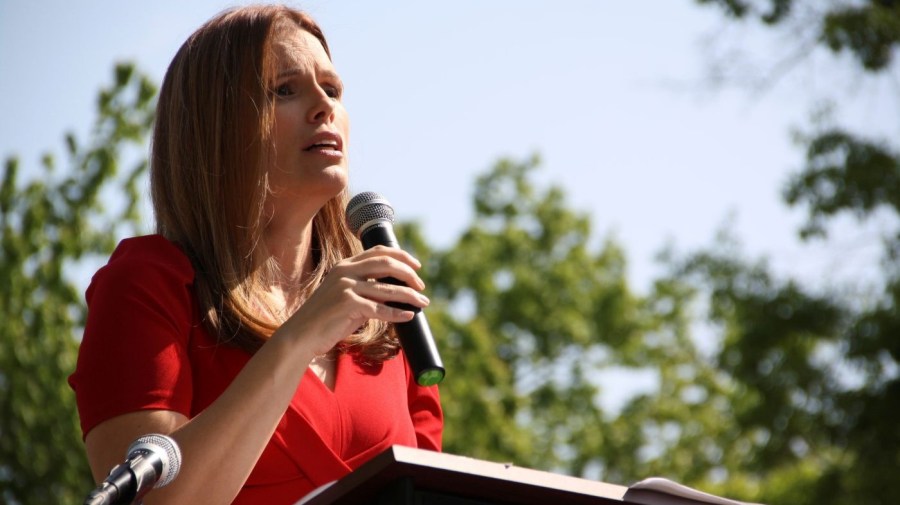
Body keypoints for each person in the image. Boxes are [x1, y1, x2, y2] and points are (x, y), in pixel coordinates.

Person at [68, 4, 443, 504]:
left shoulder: (387, 316)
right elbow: (151, 500)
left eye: (332, 89)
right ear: (216, 127)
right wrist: (298, 339)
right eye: (284, 90)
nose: (323, 106)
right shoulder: (146, 284)